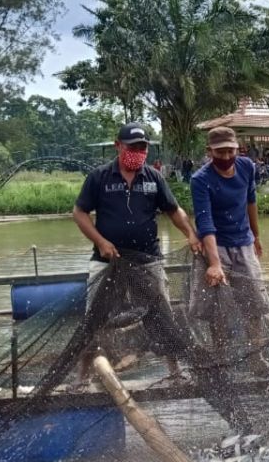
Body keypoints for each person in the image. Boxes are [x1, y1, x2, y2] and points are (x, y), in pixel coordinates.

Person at [72, 123, 201, 371]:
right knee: (95, 318)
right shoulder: (99, 177)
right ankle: (84, 375)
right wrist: (101, 241)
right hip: (107, 260)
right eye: (133, 147)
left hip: (147, 259)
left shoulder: (153, 177)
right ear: (117, 146)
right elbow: (79, 213)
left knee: (161, 314)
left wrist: (190, 234)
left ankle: (174, 371)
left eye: (143, 148)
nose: (139, 152)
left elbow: (173, 210)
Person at [189, 126, 269, 376]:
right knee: (217, 307)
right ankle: (221, 360)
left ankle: (256, 360)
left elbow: (251, 202)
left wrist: (256, 236)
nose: (226, 158)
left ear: (238, 149)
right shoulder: (200, 180)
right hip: (215, 245)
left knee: (255, 304)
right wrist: (214, 264)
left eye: (231, 151)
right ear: (209, 152)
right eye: (220, 152)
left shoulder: (247, 167)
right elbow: (205, 223)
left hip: (243, 242)